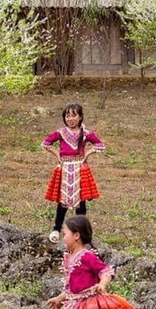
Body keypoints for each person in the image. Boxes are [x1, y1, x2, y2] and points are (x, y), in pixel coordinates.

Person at [42, 103, 105, 243]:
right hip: (65, 168)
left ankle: (80, 233)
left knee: (81, 201)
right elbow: (46, 143)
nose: (70, 119)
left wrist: (87, 154)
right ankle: (56, 229)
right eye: (67, 116)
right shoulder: (60, 132)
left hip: (79, 169)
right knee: (62, 201)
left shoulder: (86, 133)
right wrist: (57, 154)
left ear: (80, 117)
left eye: (74, 115)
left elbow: (100, 145)